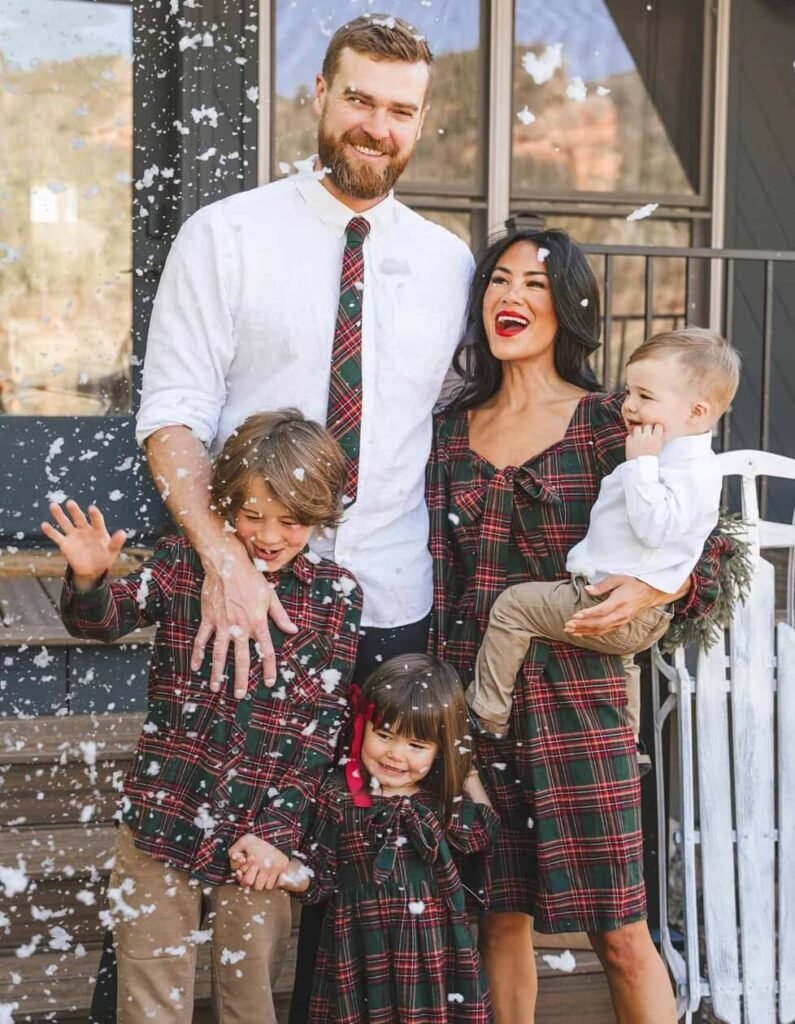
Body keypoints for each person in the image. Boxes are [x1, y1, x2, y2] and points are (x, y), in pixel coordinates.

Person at [104, 14, 472, 1023]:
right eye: (360, 98)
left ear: (421, 121)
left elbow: (470, 421)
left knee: (348, 882)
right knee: (213, 860)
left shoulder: (448, 265)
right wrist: (224, 557)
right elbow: (171, 411)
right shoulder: (227, 235)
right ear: (320, 93)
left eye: (400, 110)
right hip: (251, 599)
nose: (377, 126)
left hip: (388, 609)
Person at [427, 228, 737, 1024]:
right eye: (499, 281)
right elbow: (438, 572)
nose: (513, 297)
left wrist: (653, 592)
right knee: (497, 917)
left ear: (566, 305)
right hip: (478, 700)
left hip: (581, 703)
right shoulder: (446, 434)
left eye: (535, 283)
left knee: (620, 930)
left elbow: (708, 540)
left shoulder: (618, 419)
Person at [45, 410, 362, 1024]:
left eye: (292, 521)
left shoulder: (337, 596)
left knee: (250, 1004)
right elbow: (105, 622)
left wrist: (276, 832)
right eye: (251, 516)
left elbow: (318, 732)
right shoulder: (181, 564)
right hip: (161, 822)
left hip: (257, 848)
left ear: (321, 517)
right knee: (149, 1001)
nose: (269, 535)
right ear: (223, 504)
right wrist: (90, 580)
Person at [468, 328, 741, 738]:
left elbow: (657, 529)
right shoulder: (671, 453)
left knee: (512, 607)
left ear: (697, 412)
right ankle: (629, 741)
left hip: (611, 602)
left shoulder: (680, 467)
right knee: (625, 662)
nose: (629, 406)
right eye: (629, 391)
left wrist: (641, 466)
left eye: (645, 397)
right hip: (631, 612)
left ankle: (485, 711)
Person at [267, 654, 499, 1024]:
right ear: (363, 727)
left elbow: (483, 830)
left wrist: (468, 774)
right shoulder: (338, 796)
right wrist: (286, 872)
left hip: (435, 952)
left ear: (441, 749)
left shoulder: (441, 802)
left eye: (416, 746)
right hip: (360, 947)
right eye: (384, 735)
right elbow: (320, 873)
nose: (395, 754)